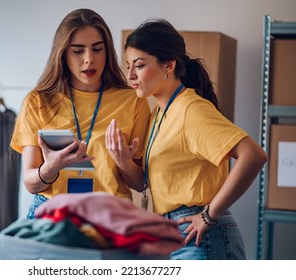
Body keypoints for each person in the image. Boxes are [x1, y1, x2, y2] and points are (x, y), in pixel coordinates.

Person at [105, 19, 267, 260]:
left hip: (202, 236)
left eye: (139, 65)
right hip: (174, 234)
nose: (130, 75)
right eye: (128, 65)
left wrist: (209, 215)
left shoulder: (192, 110)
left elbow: (253, 156)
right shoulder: (158, 114)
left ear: (168, 65)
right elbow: (142, 184)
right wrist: (123, 160)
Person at [10, 9, 151, 219]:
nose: (89, 59)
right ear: (63, 53)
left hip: (111, 218)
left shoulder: (133, 100)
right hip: (54, 217)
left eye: (97, 49)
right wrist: (50, 167)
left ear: (108, 51)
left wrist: (124, 162)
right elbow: (31, 183)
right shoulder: (39, 101)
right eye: (78, 51)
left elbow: (140, 183)